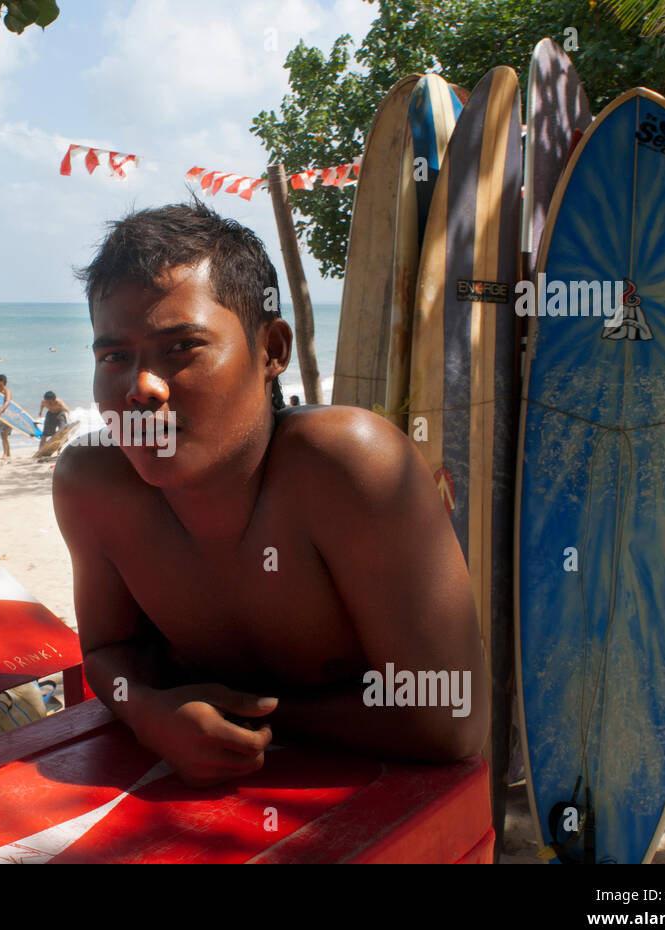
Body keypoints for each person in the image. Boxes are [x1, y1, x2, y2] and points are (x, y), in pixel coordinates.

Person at [52, 200, 486, 788]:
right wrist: (148, 713)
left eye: (182, 347)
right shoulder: (94, 484)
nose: (141, 388)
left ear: (271, 351)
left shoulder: (344, 466)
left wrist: (251, 719)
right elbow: (108, 651)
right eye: (114, 356)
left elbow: (452, 720)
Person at [0, 374, 13, 462]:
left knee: (4, 436)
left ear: (2, 382)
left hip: (8, 416)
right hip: (1, 417)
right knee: (3, 436)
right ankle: (8, 454)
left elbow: (7, 402)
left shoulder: (7, 391)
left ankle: (5, 454)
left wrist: (0, 411)